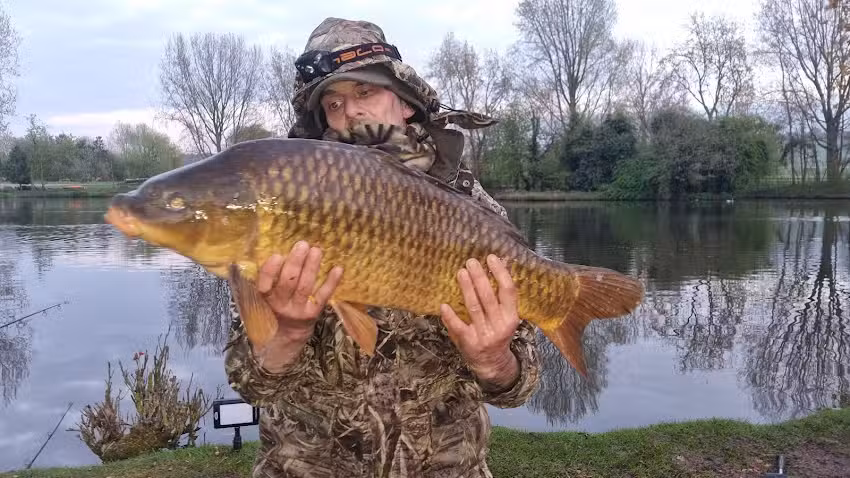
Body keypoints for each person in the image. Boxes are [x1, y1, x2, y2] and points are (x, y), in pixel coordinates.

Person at [224, 17, 541, 478]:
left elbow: (518, 387)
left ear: (407, 103)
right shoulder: (285, 211)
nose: (350, 112)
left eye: (365, 93)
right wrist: (289, 333)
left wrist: (493, 359)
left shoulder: (475, 213)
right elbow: (250, 382)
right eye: (333, 104)